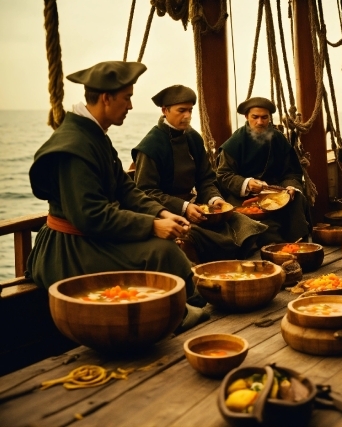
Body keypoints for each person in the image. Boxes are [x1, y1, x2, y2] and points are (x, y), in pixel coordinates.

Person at [26, 61, 206, 327]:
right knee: (160, 252)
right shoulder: (75, 145)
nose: (131, 106)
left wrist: (162, 212)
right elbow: (92, 216)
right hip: (68, 250)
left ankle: (182, 305)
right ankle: (170, 316)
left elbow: (125, 188)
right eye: (127, 98)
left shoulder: (94, 135)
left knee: (164, 249)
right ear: (106, 98)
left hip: (91, 238)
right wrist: (153, 226)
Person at [132, 85, 267, 262]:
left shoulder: (192, 137)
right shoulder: (150, 146)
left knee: (242, 223)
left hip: (195, 207)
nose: (187, 116)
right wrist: (184, 207)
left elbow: (205, 179)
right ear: (165, 110)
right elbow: (146, 193)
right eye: (181, 110)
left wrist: (214, 200)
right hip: (163, 212)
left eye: (190, 110)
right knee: (193, 235)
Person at [216, 97, 309, 244]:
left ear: (269, 118)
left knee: (296, 198)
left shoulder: (278, 138)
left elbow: (291, 172)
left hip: (276, 190)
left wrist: (291, 186)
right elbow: (224, 175)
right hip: (243, 195)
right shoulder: (235, 142)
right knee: (253, 214)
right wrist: (247, 183)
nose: (260, 122)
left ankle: (299, 244)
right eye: (255, 117)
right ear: (246, 117)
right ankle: (273, 245)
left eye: (264, 117)